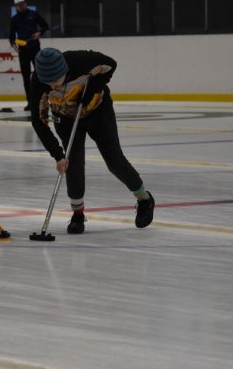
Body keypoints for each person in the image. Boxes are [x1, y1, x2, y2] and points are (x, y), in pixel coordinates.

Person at [30, 48, 155, 234]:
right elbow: (38, 121)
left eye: (56, 81)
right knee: (72, 163)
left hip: (98, 112)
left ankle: (144, 199)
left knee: (114, 161)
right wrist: (58, 156)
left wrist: (95, 86)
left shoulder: (82, 60)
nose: (53, 86)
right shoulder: (38, 82)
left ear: (64, 70)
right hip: (65, 118)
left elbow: (111, 64)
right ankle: (77, 214)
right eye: (48, 82)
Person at [9, 0, 49, 110]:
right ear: (16, 7)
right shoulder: (14, 19)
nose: (21, 6)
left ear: (26, 3)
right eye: (19, 4)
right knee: (26, 77)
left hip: (35, 48)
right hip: (23, 50)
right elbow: (11, 37)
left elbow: (45, 26)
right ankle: (30, 103)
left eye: (22, 3)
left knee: (40, 74)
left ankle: (43, 100)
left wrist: (39, 33)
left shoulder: (33, 14)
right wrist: (13, 45)